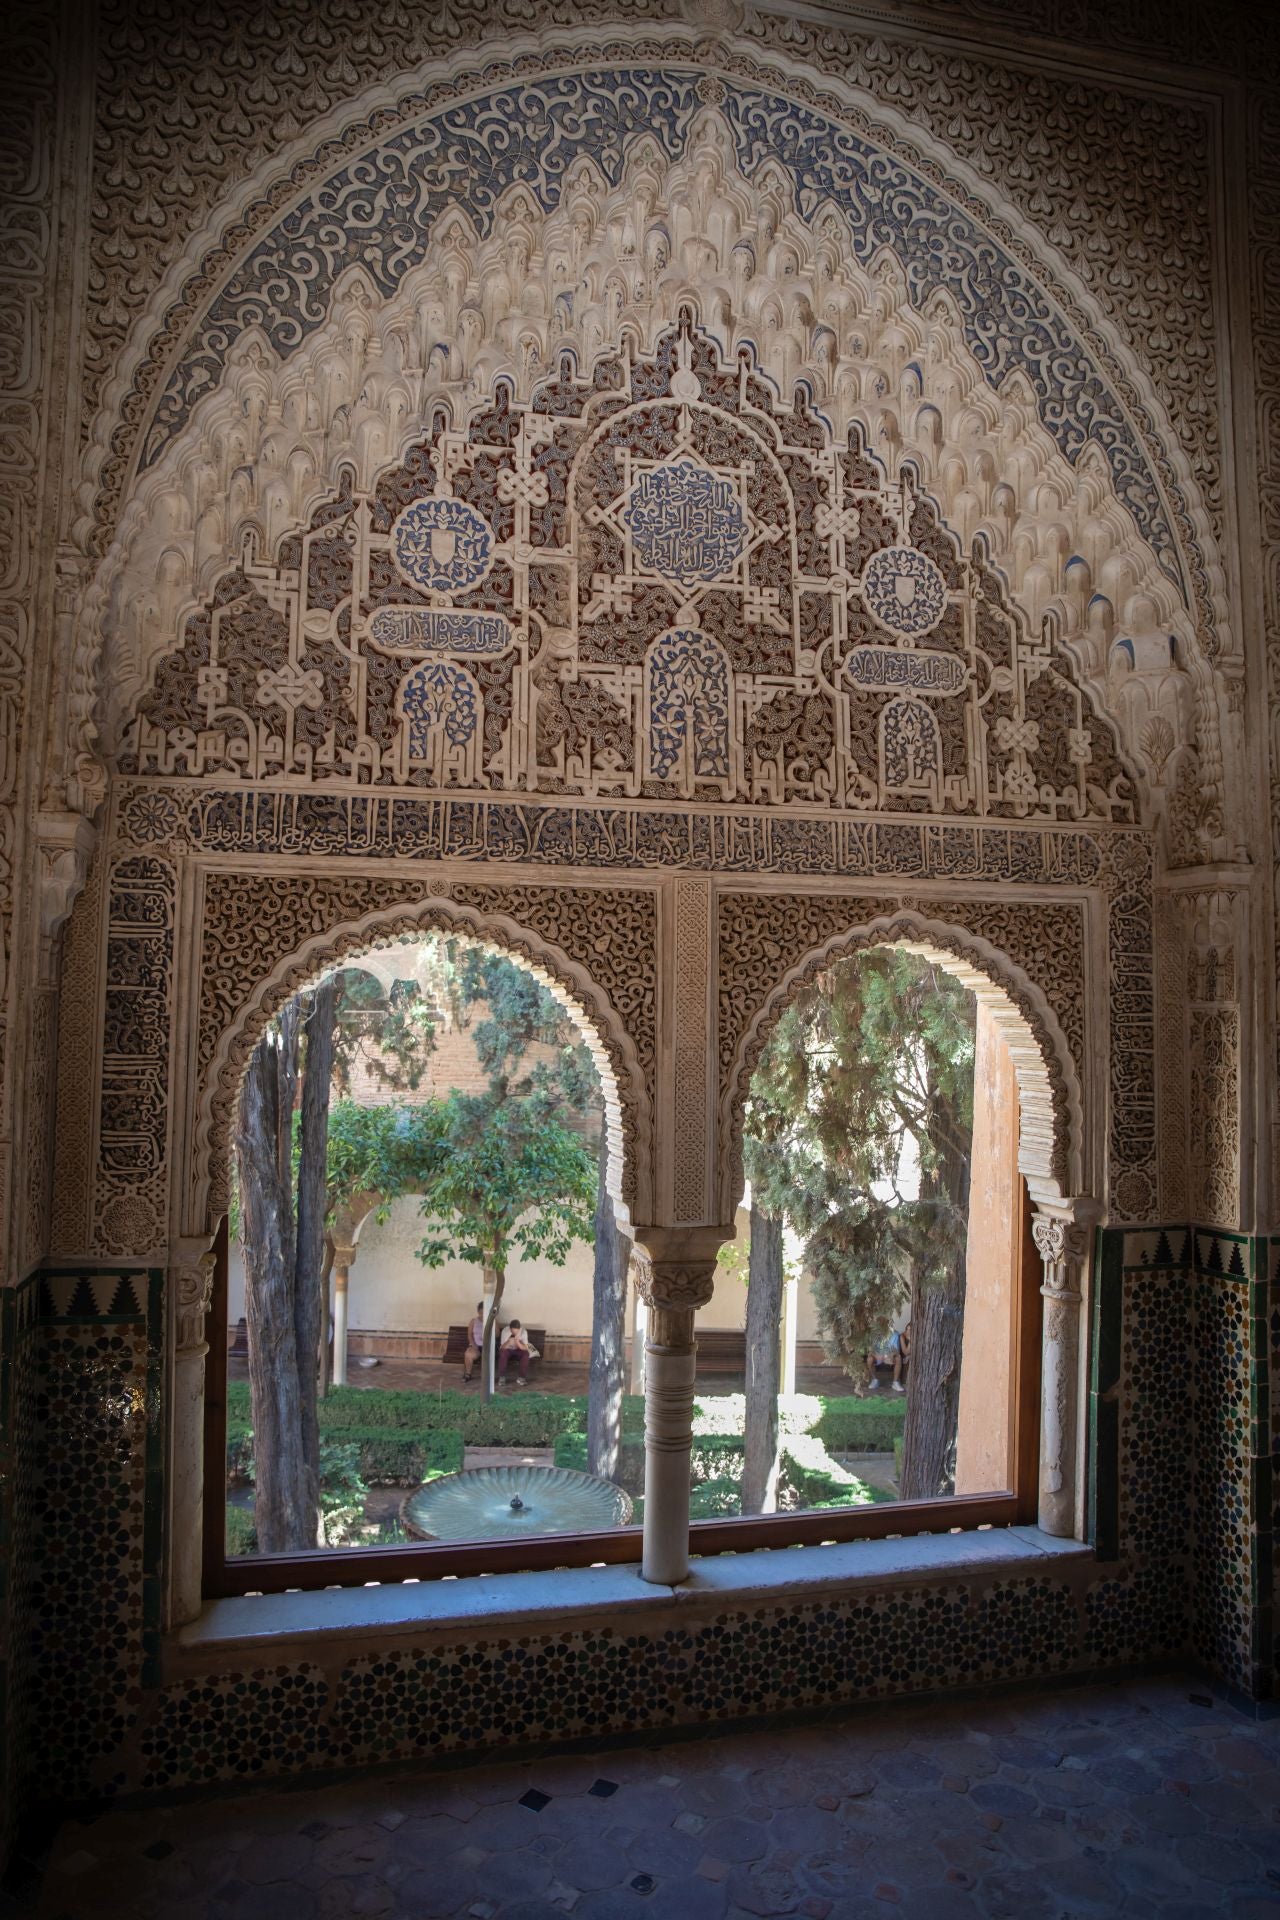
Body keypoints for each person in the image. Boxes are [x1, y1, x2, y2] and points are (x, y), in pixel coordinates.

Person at [866, 1320, 910, 1394]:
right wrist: (876, 1355)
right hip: (878, 1356)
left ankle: (895, 1382)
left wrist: (889, 1356)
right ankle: (875, 1380)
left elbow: (896, 1350)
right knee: (869, 1359)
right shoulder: (874, 1334)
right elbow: (871, 1350)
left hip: (889, 1357)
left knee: (898, 1358)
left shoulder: (895, 1334)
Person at [497, 1318, 539, 1387]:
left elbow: (525, 1348)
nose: (514, 1333)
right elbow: (502, 1347)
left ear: (519, 1329)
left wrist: (517, 1342)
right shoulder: (505, 1331)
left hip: (518, 1350)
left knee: (526, 1354)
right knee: (502, 1353)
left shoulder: (524, 1331)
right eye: (513, 1332)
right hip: (508, 1350)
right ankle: (502, 1377)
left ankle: (521, 1378)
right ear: (510, 1329)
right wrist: (508, 1342)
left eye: (516, 1332)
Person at [462, 1301, 485, 1383]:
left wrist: (494, 1320)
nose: (482, 1315)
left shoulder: (492, 1321)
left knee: (487, 1356)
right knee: (468, 1353)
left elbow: (496, 1334)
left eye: (485, 1313)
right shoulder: (473, 1321)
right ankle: (468, 1374)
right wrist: (473, 1345)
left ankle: (486, 1376)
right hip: (476, 1346)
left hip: (488, 1347)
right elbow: (469, 1335)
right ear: (478, 1312)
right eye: (481, 1313)